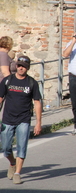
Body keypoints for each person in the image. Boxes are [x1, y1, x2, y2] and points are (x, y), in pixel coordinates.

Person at [0, 56, 42, 184]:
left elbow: (37, 102)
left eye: (23, 66)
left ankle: (18, 173)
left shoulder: (32, 83)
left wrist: (38, 123)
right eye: (19, 65)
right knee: (6, 148)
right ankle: (12, 162)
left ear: (27, 68)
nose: (20, 68)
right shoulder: (7, 81)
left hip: (24, 119)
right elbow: (0, 98)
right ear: (16, 66)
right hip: (7, 119)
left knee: (21, 146)